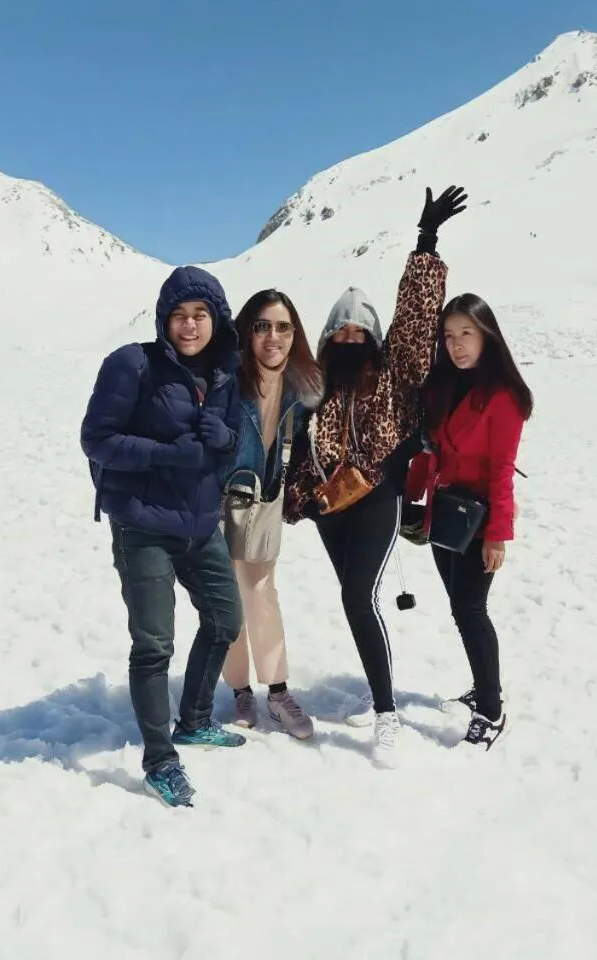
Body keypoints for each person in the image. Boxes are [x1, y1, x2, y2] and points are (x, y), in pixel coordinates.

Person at [284, 185, 467, 767]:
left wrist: (425, 243)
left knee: (357, 595)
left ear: (373, 336)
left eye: (359, 331)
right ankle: (377, 685)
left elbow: (415, 319)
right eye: (340, 331)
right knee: (355, 600)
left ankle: (387, 715)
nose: (349, 339)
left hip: (377, 496)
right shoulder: (314, 387)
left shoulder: (396, 372)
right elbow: (295, 448)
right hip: (327, 510)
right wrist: (300, 498)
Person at [80, 264, 248, 809]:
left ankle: (195, 720)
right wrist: (163, 455)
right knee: (154, 645)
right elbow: (97, 439)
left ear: (216, 320)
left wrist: (226, 438)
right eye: (179, 315)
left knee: (225, 619)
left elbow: (229, 440)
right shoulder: (132, 365)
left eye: (200, 315)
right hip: (143, 525)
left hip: (201, 522)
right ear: (164, 319)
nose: (190, 325)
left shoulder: (225, 371)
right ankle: (159, 761)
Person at [404, 293, 533, 751]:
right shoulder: (442, 385)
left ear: (487, 336)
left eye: (467, 334)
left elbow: (501, 469)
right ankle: (484, 684)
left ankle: (492, 710)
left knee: (471, 610)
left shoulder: (504, 397)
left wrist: (498, 535)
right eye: (450, 335)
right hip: (445, 513)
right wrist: (412, 499)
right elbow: (432, 449)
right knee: (461, 610)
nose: (457, 345)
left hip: (479, 517)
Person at [220, 289, 324, 738]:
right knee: (224, 596)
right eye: (262, 325)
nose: (273, 336)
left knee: (260, 591)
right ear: (247, 330)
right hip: (216, 501)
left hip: (263, 503)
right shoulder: (226, 380)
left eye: (283, 326)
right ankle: (240, 688)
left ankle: (277, 691)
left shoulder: (302, 391)